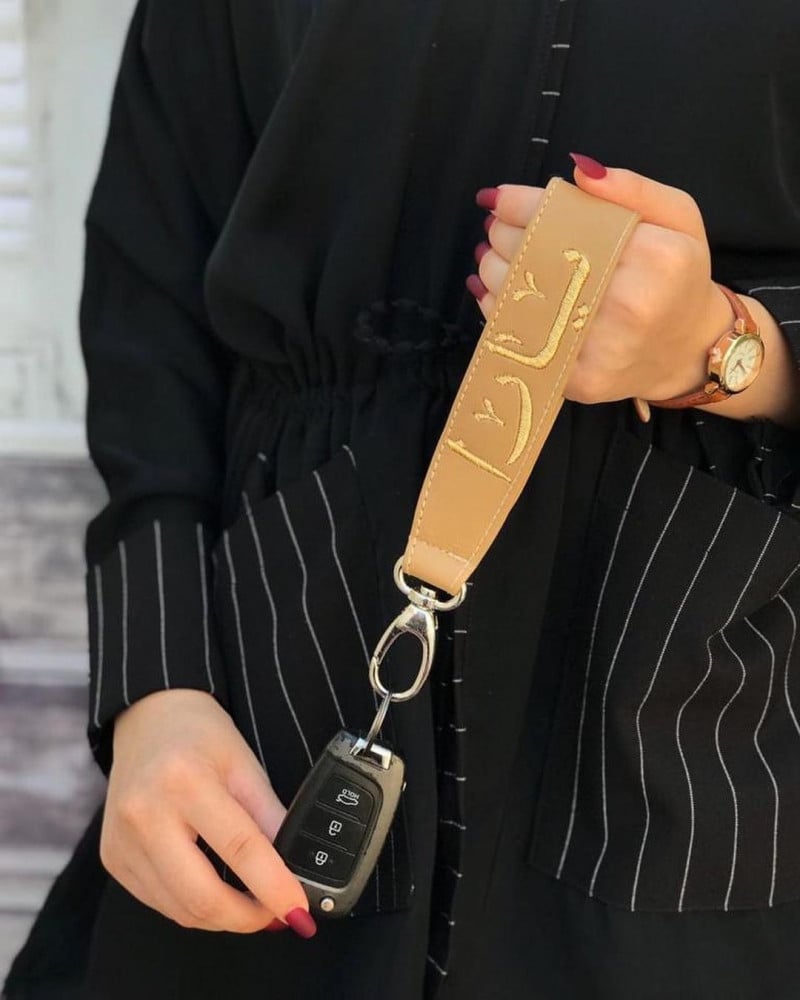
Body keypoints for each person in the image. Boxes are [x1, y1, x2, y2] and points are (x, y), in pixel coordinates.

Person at [5, 0, 800, 997]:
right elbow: (152, 289)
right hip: (261, 725)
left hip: (690, 753)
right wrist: (154, 685)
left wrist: (725, 348)